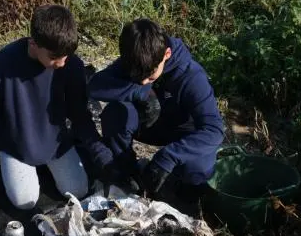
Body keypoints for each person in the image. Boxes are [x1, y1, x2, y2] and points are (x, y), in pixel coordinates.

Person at [0, 4, 110, 209]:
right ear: (33, 43)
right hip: (17, 147)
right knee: (25, 201)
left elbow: (80, 116)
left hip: (55, 144)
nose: (61, 63)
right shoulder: (1, 65)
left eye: (66, 56)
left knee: (78, 191)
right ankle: (9, 160)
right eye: (54, 57)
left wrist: (104, 157)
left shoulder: (70, 65)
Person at [89, 18, 224, 198]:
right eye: (138, 76)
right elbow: (94, 86)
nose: (144, 81)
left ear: (167, 54)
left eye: (150, 76)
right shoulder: (135, 57)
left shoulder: (191, 76)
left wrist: (168, 156)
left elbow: (214, 130)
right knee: (115, 113)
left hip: (182, 134)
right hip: (149, 125)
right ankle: (129, 172)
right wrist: (140, 92)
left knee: (197, 169)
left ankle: (183, 184)